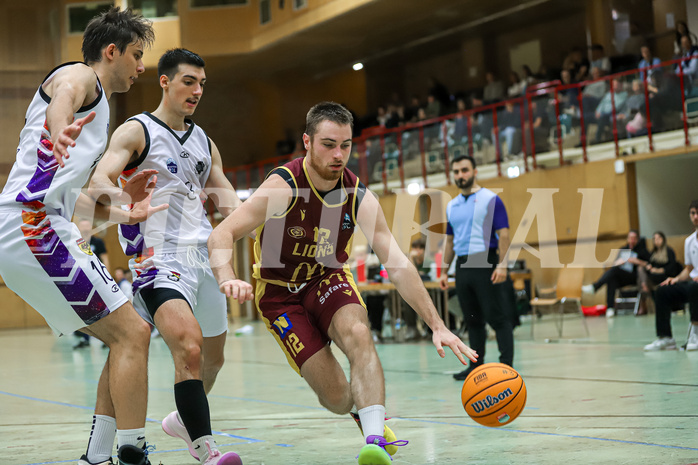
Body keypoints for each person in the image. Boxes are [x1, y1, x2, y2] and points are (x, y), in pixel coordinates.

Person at [207, 102, 477, 465]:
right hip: (278, 294)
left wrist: (437, 324)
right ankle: (360, 412)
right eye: (328, 144)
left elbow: (396, 263)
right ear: (307, 141)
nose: (338, 155)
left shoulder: (359, 196)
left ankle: (375, 442)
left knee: (358, 332)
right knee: (336, 397)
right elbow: (222, 233)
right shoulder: (283, 186)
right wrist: (227, 278)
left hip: (327, 279)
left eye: (346, 145)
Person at [0, 7, 161, 465]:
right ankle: (132, 452)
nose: (141, 66)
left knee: (127, 334)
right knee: (134, 334)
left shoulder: (103, 109)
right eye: (135, 54)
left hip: (41, 228)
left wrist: (123, 203)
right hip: (32, 226)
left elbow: (88, 192)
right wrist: (58, 130)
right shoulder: (79, 77)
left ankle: (99, 456)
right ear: (111, 52)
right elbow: (62, 99)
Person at [88, 48, 243, 465]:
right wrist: (123, 197)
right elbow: (102, 176)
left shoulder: (204, 140)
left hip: (203, 257)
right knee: (188, 349)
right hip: (159, 259)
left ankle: (177, 420)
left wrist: (251, 217)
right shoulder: (137, 130)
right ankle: (206, 449)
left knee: (213, 358)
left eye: (202, 84)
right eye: (188, 81)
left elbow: (223, 190)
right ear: (165, 81)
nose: (196, 91)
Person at [438, 155, 515, 381]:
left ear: (475, 172)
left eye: (464, 170)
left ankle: (506, 367)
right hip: (463, 266)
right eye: (456, 171)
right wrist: (444, 270)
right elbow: (450, 241)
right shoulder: (452, 206)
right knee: (472, 320)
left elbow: (504, 235)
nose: (460, 175)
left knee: (497, 317)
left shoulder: (491, 200)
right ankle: (476, 366)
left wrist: (503, 265)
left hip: (486, 262)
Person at [643, 201, 698, 351]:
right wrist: (676, 279)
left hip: (696, 286)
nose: (695, 216)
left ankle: (696, 334)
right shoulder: (689, 241)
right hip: (693, 283)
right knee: (662, 290)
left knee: (694, 287)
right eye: (693, 213)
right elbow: (689, 268)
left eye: (697, 212)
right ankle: (665, 338)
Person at [582, 230, 651, 317]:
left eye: (634, 238)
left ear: (637, 239)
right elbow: (614, 264)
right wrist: (618, 262)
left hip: (635, 277)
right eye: (630, 238)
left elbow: (649, 265)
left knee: (614, 271)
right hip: (622, 276)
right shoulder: (623, 249)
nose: (632, 240)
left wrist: (637, 261)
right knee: (612, 278)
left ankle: (595, 287)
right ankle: (610, 308)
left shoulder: (643, 250)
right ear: (627, 239)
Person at [72, 218, 112, 349]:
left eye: (86, 228)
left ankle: (108, 339)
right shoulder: (75, 242)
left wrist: (108, 277)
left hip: (98, 280)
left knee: (104, 310)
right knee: (84, 311)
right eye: (82, 228)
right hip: (82, 281)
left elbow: (105, 259)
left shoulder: (97, 242)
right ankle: (85, 339)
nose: (85, 230)